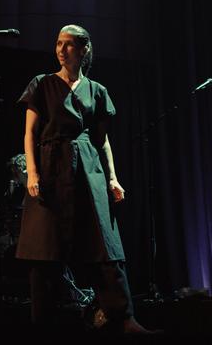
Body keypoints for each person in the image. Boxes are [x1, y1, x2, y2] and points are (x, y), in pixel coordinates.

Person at [15, 24, 153, 335]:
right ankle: (43, 324)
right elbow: (30, 133)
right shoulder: (42, 84)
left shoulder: (97, 91)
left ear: (84, 50)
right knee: (45, 248)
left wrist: (113, 179)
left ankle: (124, 318)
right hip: (51, 168)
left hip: (87, 167)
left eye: (69, 45)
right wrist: (33, 173)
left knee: (104, 243)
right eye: (58, 43)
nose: (61, 50)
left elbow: (101, 140)